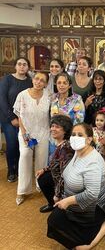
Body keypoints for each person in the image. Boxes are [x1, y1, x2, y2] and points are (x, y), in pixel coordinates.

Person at [47, 123, 105, 249]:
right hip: (75, 202)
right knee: (53, 221)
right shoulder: (78, 152)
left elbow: (92, 194)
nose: (75, 138)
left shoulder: (93, 162)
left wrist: (68, 201)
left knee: (83, 247)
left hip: (93, 207)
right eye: (73, 135)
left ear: (89, 139)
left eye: (80, 135)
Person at [14, 72, 51, 205]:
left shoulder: (49, 96)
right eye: (36, 79)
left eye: (42, 80)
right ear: (32, 79)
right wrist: (23, 133)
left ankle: (39, 184)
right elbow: (19, 114)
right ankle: (22, 190)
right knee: (24, 156)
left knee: (42, 160)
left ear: (46, 83)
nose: (38, 82)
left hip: (44, 132)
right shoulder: (22, 95)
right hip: (26, 133)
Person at [0, 57, 32, 182]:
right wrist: (12, 118)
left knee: (23, 145)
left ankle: (20, 168)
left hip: (25, 120)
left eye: (25, 64)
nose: (22, 66)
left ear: (28, 67)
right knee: (12, 144)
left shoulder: (30, 82)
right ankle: (11, 170)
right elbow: (2, 100)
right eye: (19, 64)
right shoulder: (7, 80)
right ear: (15, 66)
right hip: (9, 119)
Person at [36, 115, 74, 213]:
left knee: (44, 180)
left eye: (57, 127)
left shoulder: (66, 148)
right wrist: (44, 169)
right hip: (57, 176)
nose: (53, 129)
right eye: (52, 126)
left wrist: (57, 194)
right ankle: (52, 204)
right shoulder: (60, 144)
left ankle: (58, 204)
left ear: (65, 131)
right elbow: (56, 163)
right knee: (42, 177)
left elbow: (63, 176)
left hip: (65, 183)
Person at [93, 108, 105, 175]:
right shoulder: (92, 131)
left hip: (103, 157)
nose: (98, 122)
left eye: (101, 120)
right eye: (97, 120)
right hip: (93, 157)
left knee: (102, 174)